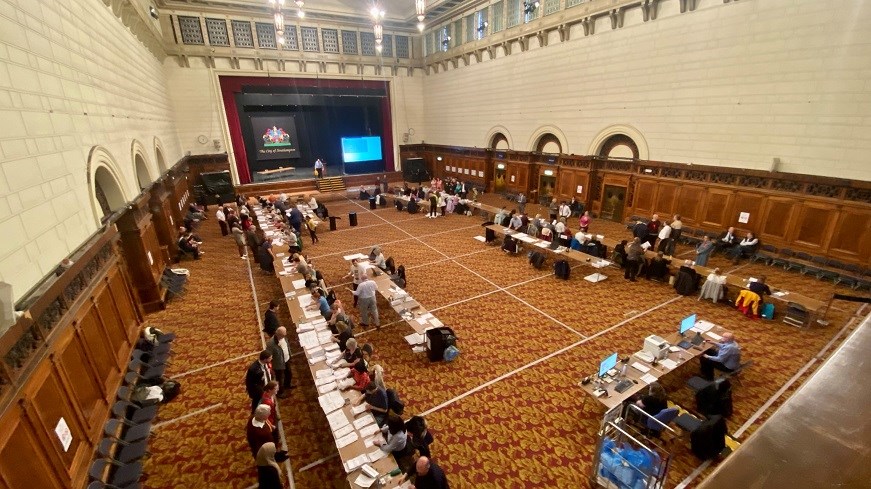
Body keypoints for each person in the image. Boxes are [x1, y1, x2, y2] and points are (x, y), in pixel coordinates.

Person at [267, 327, 294, 397]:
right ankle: (280, 393)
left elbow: (287, 346)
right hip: (278, 364)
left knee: (289, 373)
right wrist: (271, 366)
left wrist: (290, 355)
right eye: (283, 335)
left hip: (286, 359)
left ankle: (287, 385)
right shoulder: (271, 344)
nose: (284, 336)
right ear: (278, 334)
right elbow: (269, 356)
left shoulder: (284, 338)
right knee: (280, 379)